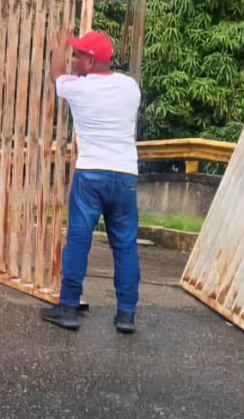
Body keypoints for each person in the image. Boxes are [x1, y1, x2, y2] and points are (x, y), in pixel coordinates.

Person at [41, 29, 142, 334]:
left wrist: (59, 44)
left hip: (91, 174)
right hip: (125, 174)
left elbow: (54, 74)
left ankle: (68, 308)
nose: (73, 59)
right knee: (125, 245)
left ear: (90, 60)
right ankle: (126, 314)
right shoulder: (130, 86)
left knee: (78, 241)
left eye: (78, 55)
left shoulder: (79, 89)